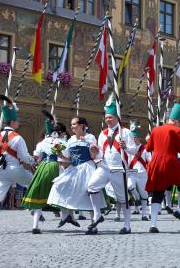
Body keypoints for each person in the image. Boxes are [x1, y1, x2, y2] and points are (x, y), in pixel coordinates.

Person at [86, 94, 137, 234]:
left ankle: (127, 225)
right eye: (106, 117)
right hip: (104, 167)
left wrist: (125, 147)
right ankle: (97, 215)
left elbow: (134, 150)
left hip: (119, 168)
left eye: (110, 117)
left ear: (117, 118)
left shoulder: (125, 132)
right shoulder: (102, 133)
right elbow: (101, 153)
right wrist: (95, 151)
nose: (108, 119)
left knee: (122, 198)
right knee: (91, 187)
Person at [0, 94, 34, 235]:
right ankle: (34, 214)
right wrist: (31, 160)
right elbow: (23, 157)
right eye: (16, 120)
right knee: (34, 184)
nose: (18, 123)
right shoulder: (18, 137)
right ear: (12, 122)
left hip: (1, 171)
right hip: (16, 169)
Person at [47, 117, 105, 229]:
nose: (72, 126)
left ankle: (94, 225)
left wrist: (90, 147)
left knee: (89, 193)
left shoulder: (90, 137)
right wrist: (60, 155)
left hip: (87, 167)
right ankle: (66, 215)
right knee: (58, 184)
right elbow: (68, 159)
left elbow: (94, 156)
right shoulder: (71, 140)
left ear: (82, 125)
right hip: (75, 168)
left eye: (74, 124)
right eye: (71, 124)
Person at [145, 103, 180, 233]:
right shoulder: (176, 130)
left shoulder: (155, 129)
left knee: (158, 192)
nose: (179, 125)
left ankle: (153, 224)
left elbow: (148, 148)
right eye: (179, 122)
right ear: (175, 121)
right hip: (170, 162)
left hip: (156, 162)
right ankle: (179, 210)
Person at [22, 111, 68, 234]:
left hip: (42, 167)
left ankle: (35, 226)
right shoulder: (63, 142)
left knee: (38, 195)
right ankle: (65, 217)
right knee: (62, 192)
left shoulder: (42, 143)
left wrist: (28, 160)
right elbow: (65, 157)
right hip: (56, 167)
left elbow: (36, 157)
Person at [127, 121, 151, 221]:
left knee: (144, 195)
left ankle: (144, 214)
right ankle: (136, 198)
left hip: (142, 173)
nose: (132, 140)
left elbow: (150, 160)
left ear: (138, 138)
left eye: (134, 138)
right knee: (130, 186)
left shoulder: (145, 149)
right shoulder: (128, 149)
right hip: (131, 172)